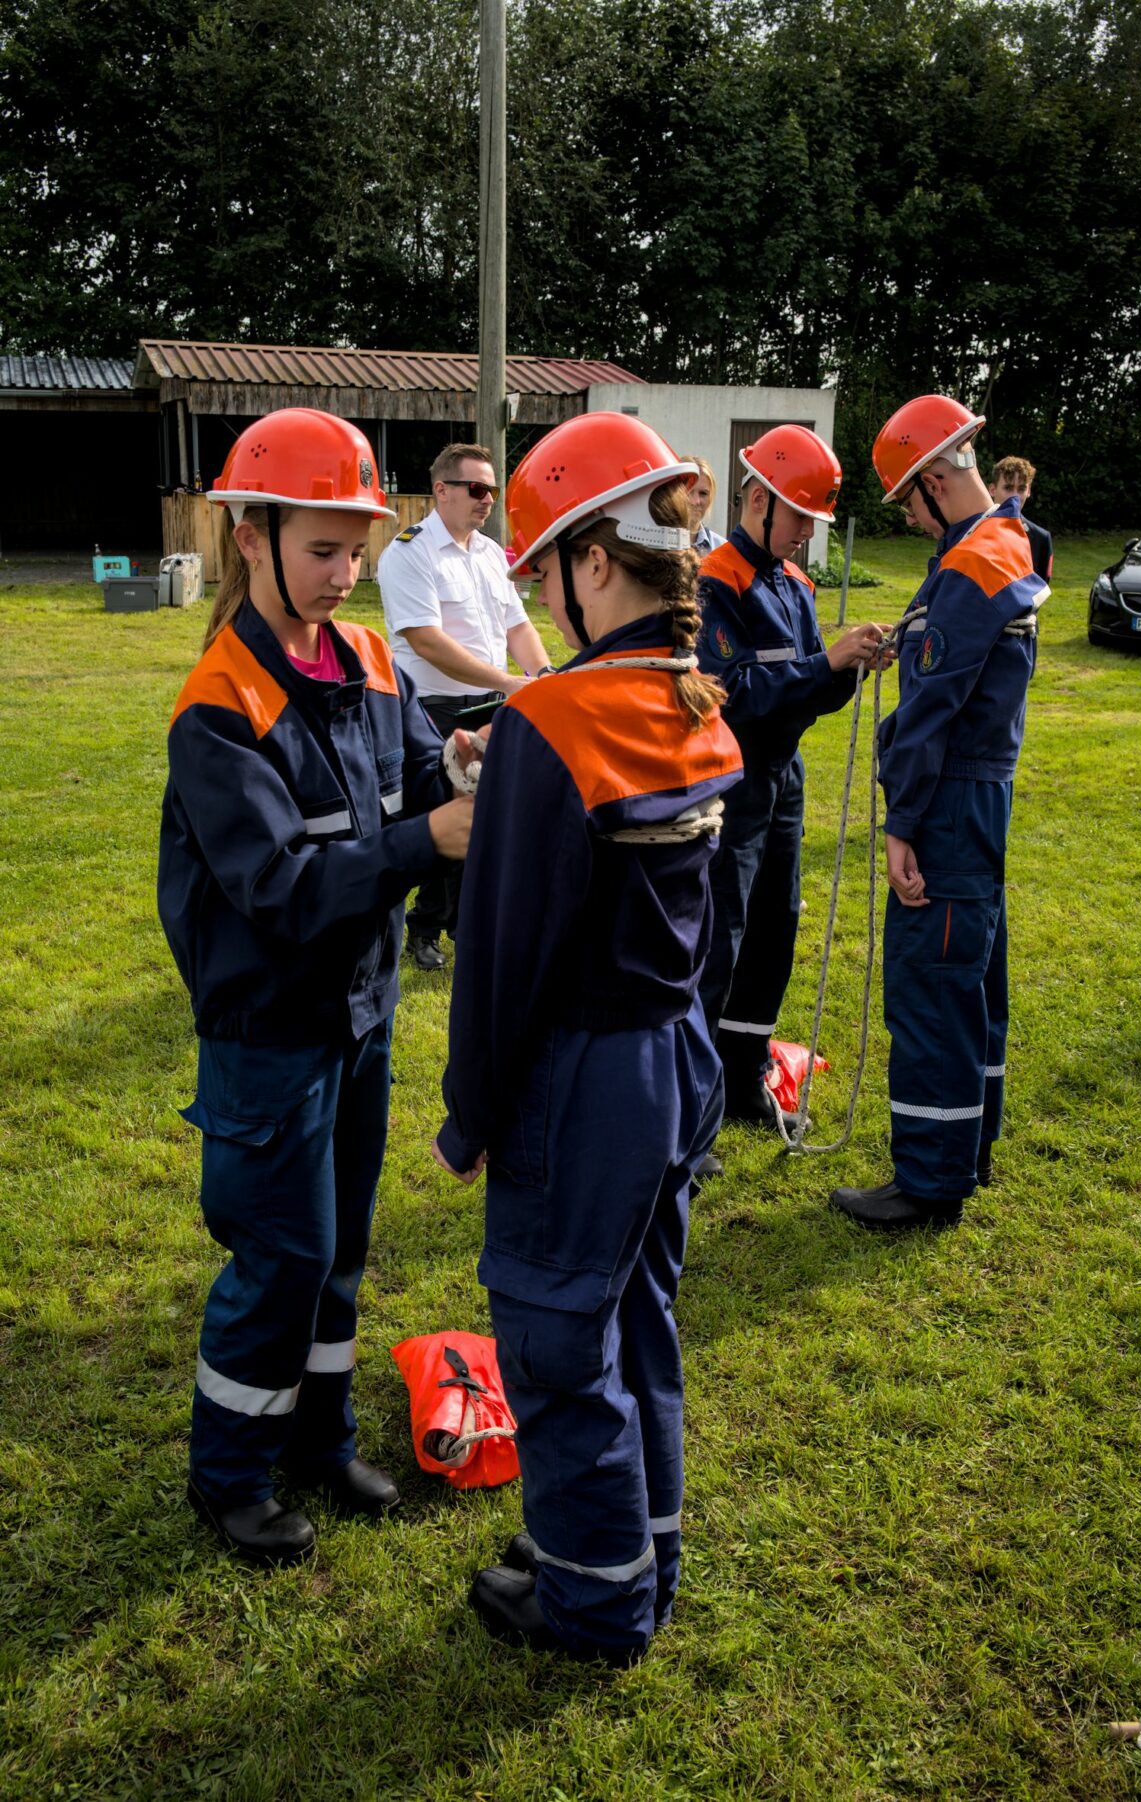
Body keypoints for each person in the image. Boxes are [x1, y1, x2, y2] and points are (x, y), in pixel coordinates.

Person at [432, 412, 744, 1665]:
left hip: (584, 1076)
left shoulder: (557, 716)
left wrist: (467, 1116)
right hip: (675, 1056)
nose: (541, 597)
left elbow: (502, 957)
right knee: (641, 1324)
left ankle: (597, 1601)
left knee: (561, 1348)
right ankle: (642, 1552)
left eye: (542, 570)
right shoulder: (692, 692)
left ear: (590, 563)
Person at [158, 408, 476, 1564]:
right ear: (251, 534)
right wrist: (421, 839)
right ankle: (230, 1470)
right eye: (321, 548)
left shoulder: (371, 656)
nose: (345, 574)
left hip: (360, 1009)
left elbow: (392, 777)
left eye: (358, 548)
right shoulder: (218, 705)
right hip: (270, 1029)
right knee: (278, 1254)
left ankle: (318, 1434)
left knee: (340, 1244)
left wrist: (448, 765)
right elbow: (282, 887)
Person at [831, 395, 1049, 1231]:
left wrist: (899, 827)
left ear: (931, 479)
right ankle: (968, 1148)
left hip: (951, 798)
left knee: (930, 987)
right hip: (981, 793)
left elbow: (931, 711)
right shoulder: (1006, 543)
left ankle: (928, 1180)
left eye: (908, 503)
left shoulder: (966, 569)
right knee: (972, 983)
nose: (913, 521)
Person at [695, 424, 891, 1141]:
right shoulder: (716, 582)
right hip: (730, 780)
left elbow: (810, 689)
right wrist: (823, 664)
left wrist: (848, 666)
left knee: (776, 926)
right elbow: (730, 691)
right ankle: (697, 1106)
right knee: (722, 936)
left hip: (783, 779)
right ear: (758, 500)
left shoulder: (794, 583)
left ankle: (746, 1078)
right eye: (800, 515)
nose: (807, 532)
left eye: (814, 519)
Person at [377, 442, 553, 970]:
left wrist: (542, 677)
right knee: (439, 818)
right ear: (442, 491)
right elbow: (427, 641)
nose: (488, 500)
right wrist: (510, 681)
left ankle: (468, 924)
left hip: (489, 705)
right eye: (477, 489)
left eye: (492, 490)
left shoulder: (489, 553)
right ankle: (423, 928)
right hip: (431, 709)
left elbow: (517, 625)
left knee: (489, 818)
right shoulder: (408, 553)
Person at [989, 454, 1053, 582]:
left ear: (1029, 491)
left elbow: (1040, 588)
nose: (1015, 496)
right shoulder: (972, 530)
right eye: (1008, 488)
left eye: (1021, 489)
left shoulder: (1041, 539)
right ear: (992, 489)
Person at [683, 453, 726, 553]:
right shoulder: (653, 546)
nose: (695, 501)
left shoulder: (721, 550)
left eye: (703, 493)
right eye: (688, 492)